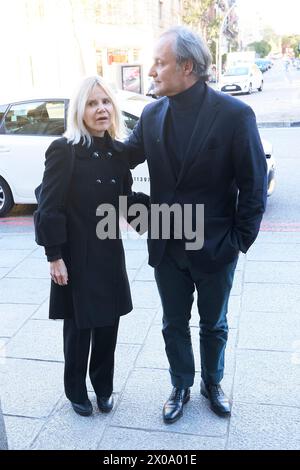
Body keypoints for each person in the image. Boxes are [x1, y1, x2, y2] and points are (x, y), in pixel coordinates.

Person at [124, 26, 267, 423]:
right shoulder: (152, 113)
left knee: (214, 323)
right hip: (167, 245)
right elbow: (123, 157)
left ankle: (212, 382)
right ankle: (181, 383)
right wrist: (81, 146)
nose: (151, 70)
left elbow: (254, 184)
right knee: (173, 323)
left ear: (187, 66)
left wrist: (238, 241)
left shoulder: (235, 115)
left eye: (160, 62)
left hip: (216, 246)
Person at [34, 75, 148, 417]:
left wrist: (169, 224)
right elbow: (48, 206)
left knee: (108, 326)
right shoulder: (64, 151)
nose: (101, 109)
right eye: (92, 103)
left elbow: (126, 203)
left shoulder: (116, 152)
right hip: (75, 255)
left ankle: (103, 387)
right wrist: (54, 256)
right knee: (80, 330)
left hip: (109, 253)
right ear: (79, 111)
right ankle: (75, 391)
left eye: (105, 102)